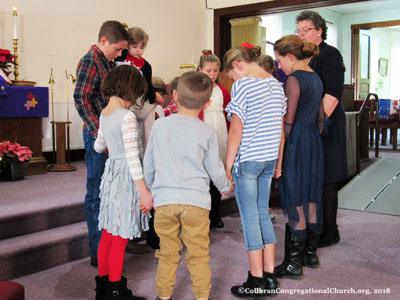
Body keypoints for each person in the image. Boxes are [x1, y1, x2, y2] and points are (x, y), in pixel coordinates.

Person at [143, 72, 232, 300]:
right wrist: (225, 186)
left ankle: (163, 296)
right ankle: (201, 296)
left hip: (164, 202)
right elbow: (214, 168)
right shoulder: (207, 131)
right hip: (196, 204)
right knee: (199, 254)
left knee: (167, 253)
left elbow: (149, 163)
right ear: (208, 103)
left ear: (174, 96)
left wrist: (149, 191)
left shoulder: (160, 125)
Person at [223, 46, 286, 298]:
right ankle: (270, 276)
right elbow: (281, 132)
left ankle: (256, 281)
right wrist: (279, 162)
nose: (233, 81)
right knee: (262, 214)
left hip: (248, 161)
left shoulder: (244, 85)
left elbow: (236, 130)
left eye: (231, 76)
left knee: (249, 219)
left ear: (238, 65)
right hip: (269, 159)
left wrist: (227, 165)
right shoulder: (276, 84)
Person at [93, 65, 152, 300]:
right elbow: (132, 160)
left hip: (110, 176)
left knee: (109, 232)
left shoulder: (104, 113)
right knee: (120, 236)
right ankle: (116, 291)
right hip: (126, 179)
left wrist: (111, 144)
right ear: (129, 90)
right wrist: (144, 192)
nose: (134, 101)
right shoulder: (126, 117)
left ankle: (104, 289)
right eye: (136, 94)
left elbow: (98, 147)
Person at [74, 20, 129, 268]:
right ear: (104, 41)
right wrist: (99, 133)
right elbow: (81, 98)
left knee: (109, 190)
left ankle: (107, 245)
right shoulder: (90, 60)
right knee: (96, 191)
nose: (119, 54)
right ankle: (98, 251)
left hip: (107, 133)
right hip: (97, 134)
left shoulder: (104, 60)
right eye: (117, 49)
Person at [273, 35, 325, 279]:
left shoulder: (293, 80)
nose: (279, 66)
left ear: (290, 57)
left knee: (294, 197)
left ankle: (293, 264)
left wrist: (279, 152)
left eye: (279, 61)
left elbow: (289, 121)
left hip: (296, 142)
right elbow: (321, 118)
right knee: (311, 198)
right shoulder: (315, 77)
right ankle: (310, 254)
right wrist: (312, 137)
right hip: (313, 141)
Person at [296, 10, 347, 248]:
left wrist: (316, 125)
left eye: (306, 29)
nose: (301, 34)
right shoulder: (304, 57)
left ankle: (330, 232)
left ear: (319, 30)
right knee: (315, 178)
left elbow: (333, 93)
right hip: (309, 122)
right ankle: (317, 228)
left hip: (326, 123)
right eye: (299, 31)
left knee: (327, 178)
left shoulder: (330, 54)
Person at [198, 51, 231, 229]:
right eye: (208, 70)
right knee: (202, 176)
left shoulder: (223, 91)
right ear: (200, 69)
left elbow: (227, 115)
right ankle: (202, 216)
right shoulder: (196, 90)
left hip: (219, 133)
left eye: (215, 71)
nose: (212, 74)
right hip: (203, 132)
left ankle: (215, 215)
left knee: (215, 175)